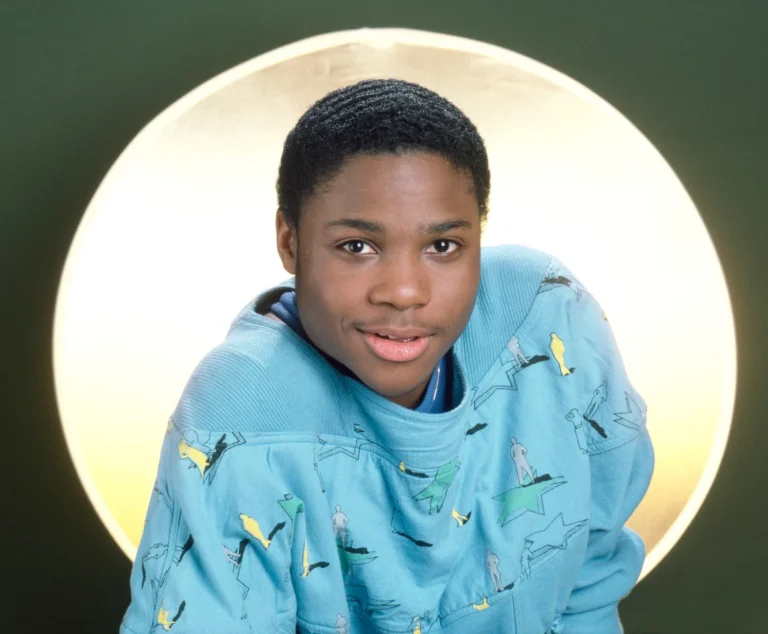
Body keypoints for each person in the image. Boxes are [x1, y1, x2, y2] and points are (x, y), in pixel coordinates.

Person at [121, 78, 654, 634]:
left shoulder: (547, 312)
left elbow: (590, 578)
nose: (404, 290)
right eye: (358, 247)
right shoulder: (244, 411)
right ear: (290, 241)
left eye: (443, 246)